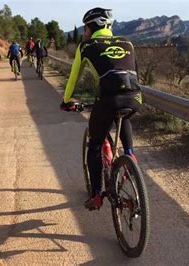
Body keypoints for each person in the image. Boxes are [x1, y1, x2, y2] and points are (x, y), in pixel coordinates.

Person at [60, 8, 142, 211]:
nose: (85, 31)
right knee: (123, 115)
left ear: (92, 26)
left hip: (107, 101)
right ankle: (130, 155)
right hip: (135, 98)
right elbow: (135, 73)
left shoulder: (86, 46)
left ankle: (96, 194)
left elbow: (73, 78)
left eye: (86, 27)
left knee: (95, 145)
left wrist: (67, 100)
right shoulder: (127, 43)